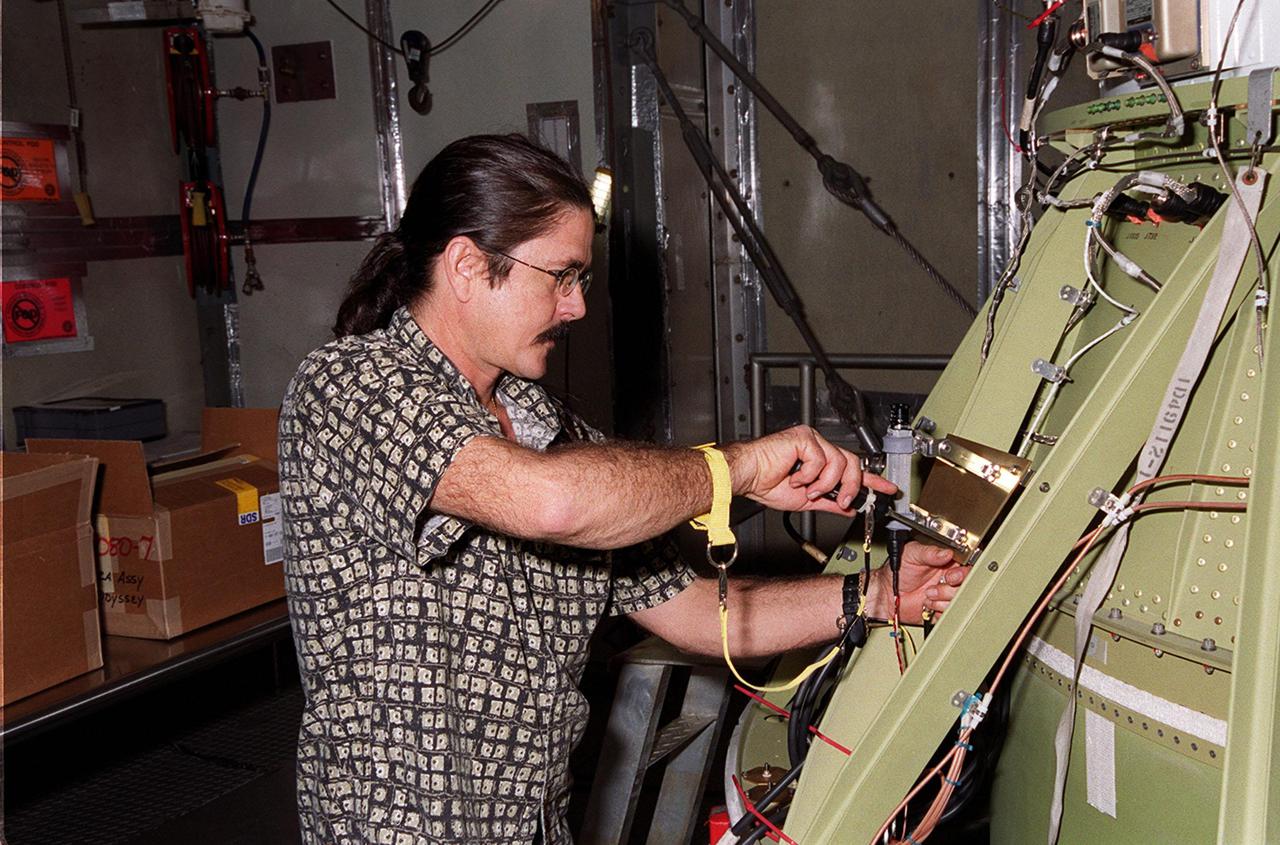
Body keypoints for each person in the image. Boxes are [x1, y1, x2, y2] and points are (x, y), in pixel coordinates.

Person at [278, 133, 966, 845]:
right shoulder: (351, 389)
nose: (576, 308)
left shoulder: (553, 429)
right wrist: (737, 472)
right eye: (561, 276)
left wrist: (880, 594)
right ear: (466, 264)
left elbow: (702, 615)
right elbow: (550, 502)